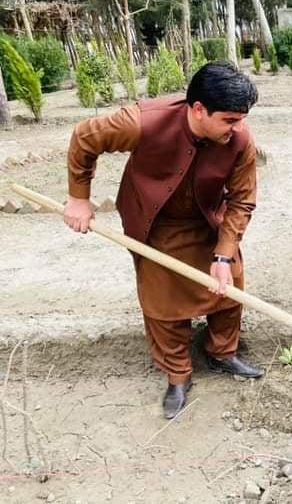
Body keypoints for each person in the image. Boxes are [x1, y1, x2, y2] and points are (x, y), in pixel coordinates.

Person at [64, 61, 264, 418]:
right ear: (199, 110)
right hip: (155, 223)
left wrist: (222, 256)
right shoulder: (141, 121)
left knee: (229, 286)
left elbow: (242, 200)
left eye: (241, 119)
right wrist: (79, 198)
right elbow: (84, 137)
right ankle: (177, 374)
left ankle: (222, 352)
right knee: (163, 301)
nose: (237, 129)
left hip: (208, 219)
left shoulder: (240, 140)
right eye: (230, 120)